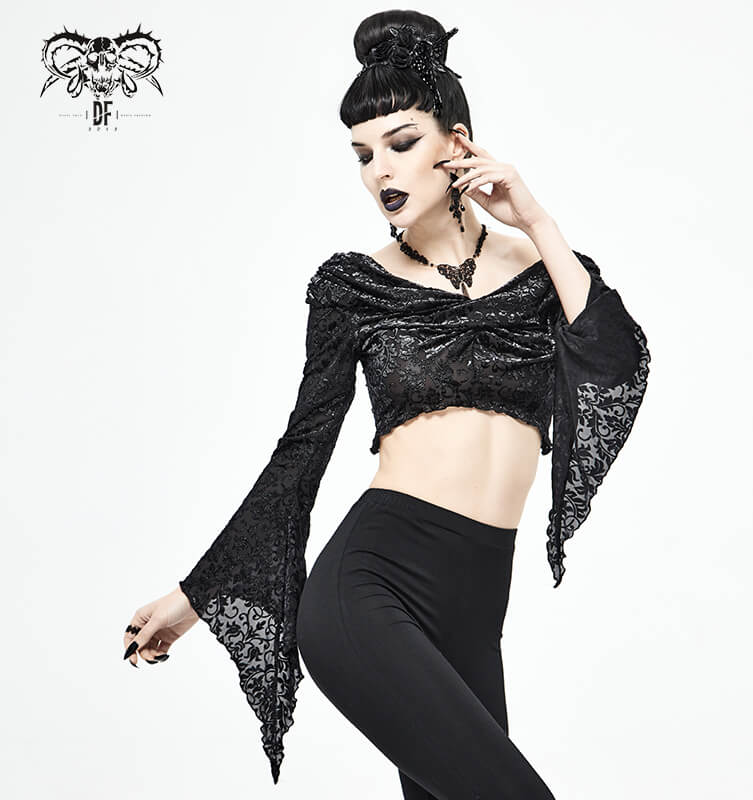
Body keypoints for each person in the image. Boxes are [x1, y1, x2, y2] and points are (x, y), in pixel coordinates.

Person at [122, 10, 651, 799]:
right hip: (370, 587)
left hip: (477, 602)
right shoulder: (354, 288)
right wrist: (198, 594)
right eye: (363, 155)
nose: (379, 172)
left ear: (458, 145)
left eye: (401, 143)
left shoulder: (543, 271)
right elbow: (301, 451)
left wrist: (537, 221)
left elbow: (615, 360)